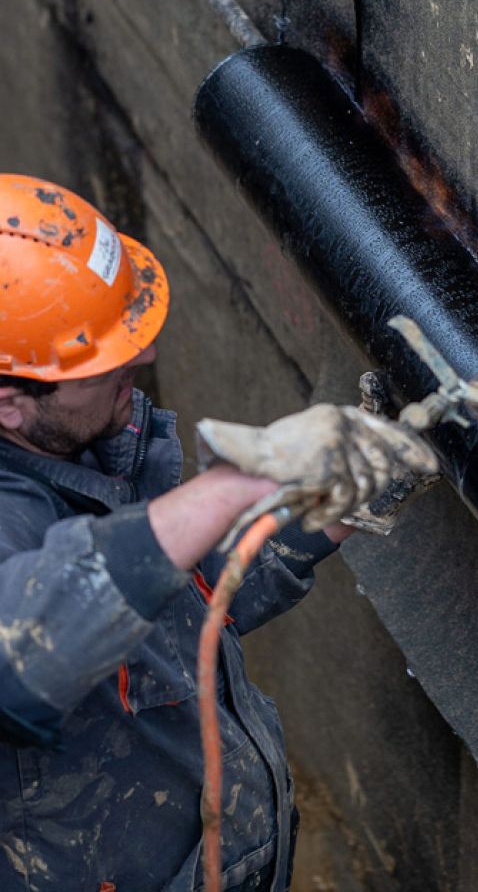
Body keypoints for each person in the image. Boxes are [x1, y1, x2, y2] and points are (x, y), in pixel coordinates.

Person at [0, 175, 355, 891]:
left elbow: (171, 596)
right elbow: (22, 654)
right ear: (11, 403)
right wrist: (232, 485)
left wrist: (323, 503)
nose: (142, 357)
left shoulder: (77, 448)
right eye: (103, 359)